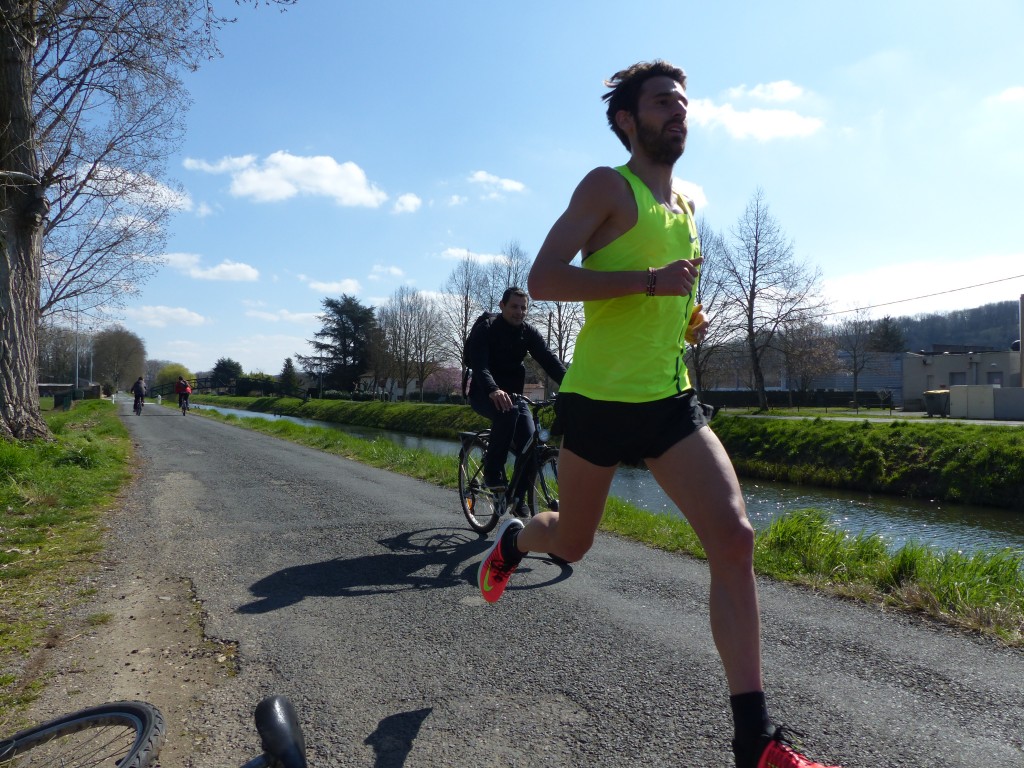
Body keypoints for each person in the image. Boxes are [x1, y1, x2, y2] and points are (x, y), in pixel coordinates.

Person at [476, 61, 840, 768]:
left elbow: (671, 297)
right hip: (598, 400)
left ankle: (754, 743)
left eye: (684, 102)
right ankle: (518, 541)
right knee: (575, 542)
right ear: (626, 120)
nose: (679, 112)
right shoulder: (607, 186)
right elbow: (545, 278)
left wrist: (686, 316)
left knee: (734, 538)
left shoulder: (692, 202)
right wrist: (647, 283)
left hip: (669, 399)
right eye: (662, 102)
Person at [465, 286, 566, 517]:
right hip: (484, 393)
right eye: (514, 306)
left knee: (531, 446)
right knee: (506, 413)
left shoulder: (527, 332)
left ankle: (519, 497)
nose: (519, 312)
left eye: (523, 308)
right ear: (502, 306)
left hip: (515, 397)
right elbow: (480, 366)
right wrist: (493, 390)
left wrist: (572, 386)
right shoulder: (486, 329)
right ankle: (492, 473)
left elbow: (548, 359)